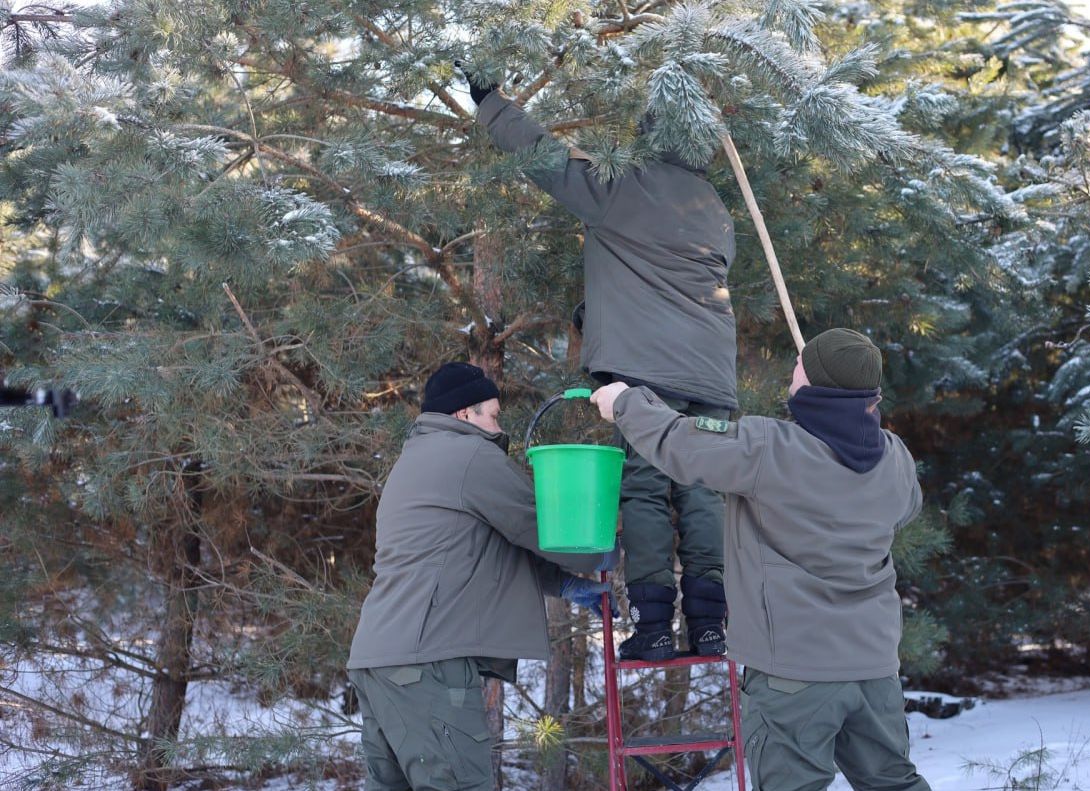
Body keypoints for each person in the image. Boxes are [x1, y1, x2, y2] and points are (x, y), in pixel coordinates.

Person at [464, 72, 737, 660]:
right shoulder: (714, 206)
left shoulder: (624, 185)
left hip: (649, 371)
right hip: (713, 373)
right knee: (703, 491)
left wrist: (490, 103)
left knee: (645, 488)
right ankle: (711, 625)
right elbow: (668, 278)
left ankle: (654, 626)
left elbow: (547, 159)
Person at [591, 329, 932, 791]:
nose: (793, 367)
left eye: (800, 366)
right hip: (874, 669)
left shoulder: (769, 448)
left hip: (793, 674)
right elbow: (906, 508)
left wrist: (625, 402)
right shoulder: (895, 458)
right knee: (894, 783)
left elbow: (679, 442)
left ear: (817, 387)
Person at [347, 362, 614, 791]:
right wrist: (605, 546)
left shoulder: (414, 460)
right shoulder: (469, 454)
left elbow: (478, 546)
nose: (498, 426)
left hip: (377, 660)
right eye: (492, 415)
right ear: (463, 414)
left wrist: (562, 583)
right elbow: (541, 525)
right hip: (427, 665)